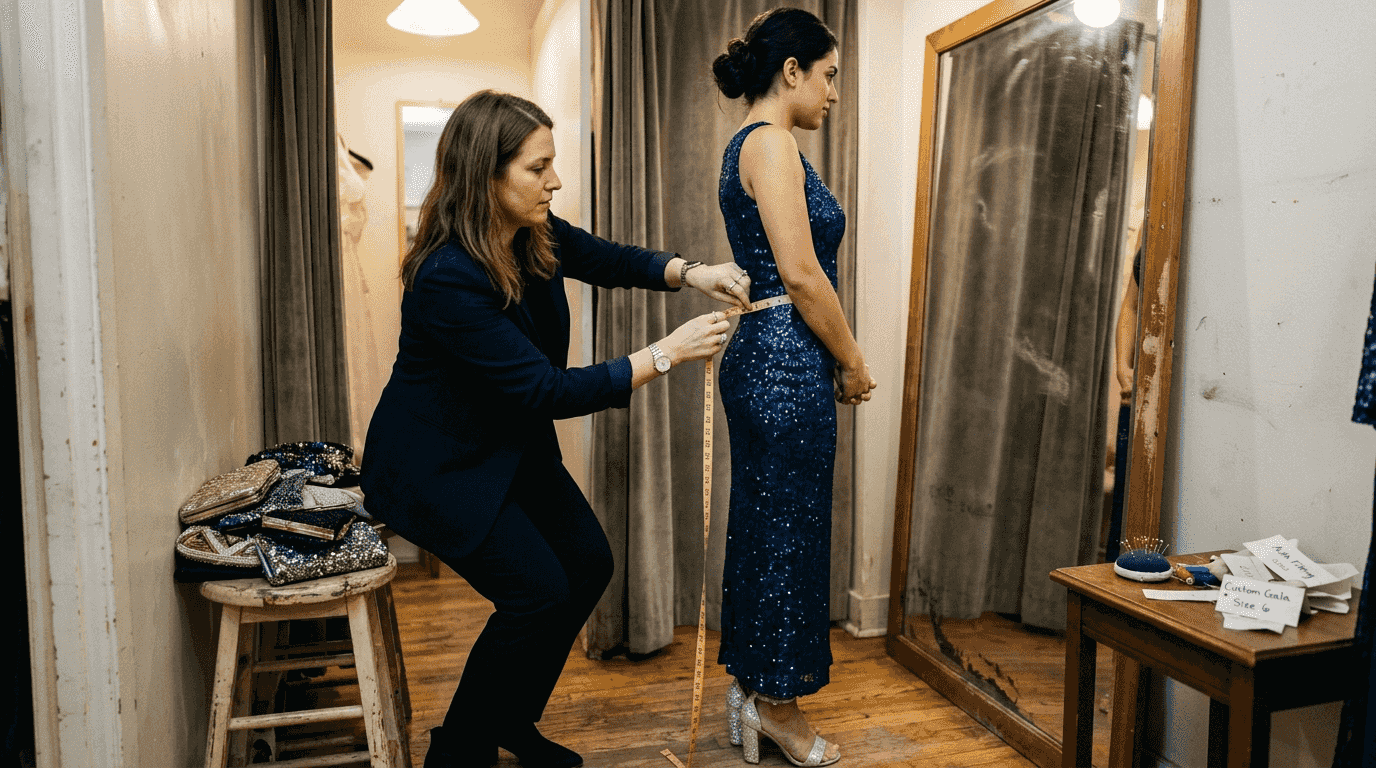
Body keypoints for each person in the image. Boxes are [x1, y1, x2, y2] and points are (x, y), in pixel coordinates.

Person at [360, 90, 750, 768]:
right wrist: (668, 353)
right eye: (538, 168)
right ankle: (458, 751)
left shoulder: (530, 233)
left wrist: (695, 272)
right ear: (488, 174)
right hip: (438, 469)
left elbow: (607, 259)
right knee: (535, 594)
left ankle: (512, 718)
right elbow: (544, 389)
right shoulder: (448, 275)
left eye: (553, 164)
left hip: (509, 448)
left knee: (588, 565)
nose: (555, 181)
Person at [710, 8, 876, 767]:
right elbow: (804, 275)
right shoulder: (771, 143)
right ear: (792, 71)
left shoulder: (747, 145)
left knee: (766, 525)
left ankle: (752, 687)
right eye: (830, 74)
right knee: (787, 535)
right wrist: (851, 359)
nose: (834, 92)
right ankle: (777, 705)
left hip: (768, 351)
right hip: (784, 353)